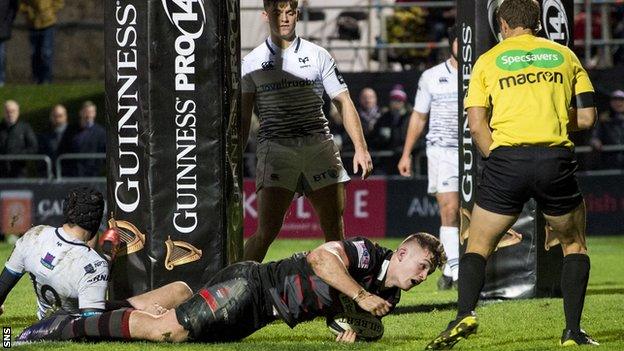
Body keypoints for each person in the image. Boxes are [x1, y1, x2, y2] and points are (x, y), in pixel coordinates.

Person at [426, 0, 598, 349]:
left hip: (507, 162)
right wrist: (548, 120)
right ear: (538, 23)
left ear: (502, 23)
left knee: (477, 244)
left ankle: (463, 316)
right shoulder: (565, 56)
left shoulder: (488, 60)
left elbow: (476, 126)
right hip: (554, 159)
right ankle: (572, 333)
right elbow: (588, 118)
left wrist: (501, 156)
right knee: (574, 245)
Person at [18, 232, 446, 344]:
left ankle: (86, 311)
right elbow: (319, 259)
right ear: (405, 252)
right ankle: (50, 330)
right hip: (250, 290)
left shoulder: (389, 296)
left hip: (254, 315)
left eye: (429, 272)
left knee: (176, 306)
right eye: (423, 265)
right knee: (166, 332)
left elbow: (343, 313)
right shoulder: (368, 254)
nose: (423, 276)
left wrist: (349, 329)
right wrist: (359, 296)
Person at [241, 0, 373, 262]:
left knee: (334, 232)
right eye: (278, 13)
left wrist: (361, 148)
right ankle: (232, 291)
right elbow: (244, 115)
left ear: (298, 15)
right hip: (276, 148)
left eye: (290, 13)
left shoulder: (318, 54)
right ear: (265, 16)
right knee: (266, 232)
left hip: (318, 146)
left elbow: (343, 101)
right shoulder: (251, 61)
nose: (284, 19)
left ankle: (339, 298)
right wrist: (235, 156)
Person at [0, 187, 193, 319]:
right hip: (72, 323)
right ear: (94, 225)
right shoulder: (93, 264)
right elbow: (93, 325)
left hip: (48, 317)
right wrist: (141, 313)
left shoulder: (34, 234)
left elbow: (3, 285)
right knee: (179, 293)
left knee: (179, 290)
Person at [397, 25, 460, 290]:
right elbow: (419, 116)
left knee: (473, 214)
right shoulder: (432, 77)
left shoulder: (482, 73)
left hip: (475, 151)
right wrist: (406, 153)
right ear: (452, 44)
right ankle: (455, 270)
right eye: (459, 42)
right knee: (450, 208)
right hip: (442, 151)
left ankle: (451, 268)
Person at [19, 0, 64, 84]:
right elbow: (22, 3)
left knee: (46, 52)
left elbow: (59, 2)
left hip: (48, 22)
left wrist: (50, 11)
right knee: (34, 53)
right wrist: (28, 11)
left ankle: (46, 79)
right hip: (32, 22)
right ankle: (36, 79)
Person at [370, 84, 411, 174]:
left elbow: (420, 140)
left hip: (407, 162)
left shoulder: (410, 118)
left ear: (403, 102)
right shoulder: (384, 118)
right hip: (387, 162)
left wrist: (406, 149)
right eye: (394, 100)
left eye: (399, 100)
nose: (396, 103)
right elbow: (372, 139)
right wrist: (381, 139)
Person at [0, 100, 38, 177]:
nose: (10, 114)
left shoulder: (25, 128)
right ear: (4, 113)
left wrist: (17, 156)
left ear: (18, 112)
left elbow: (33, 147)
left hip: (19, 172)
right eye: (8, 111)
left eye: (13, 111)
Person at [589, 89, 624, 169]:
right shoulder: (604, 119)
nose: (618, 103)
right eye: (615, 100)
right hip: (610, 160)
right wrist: (595, 141)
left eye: (621, 100)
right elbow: (595, 136)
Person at [70, 101, 106, 177]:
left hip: (93, 175)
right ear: (80, 113)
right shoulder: (71, 130)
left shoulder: (101, 132)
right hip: (74, 174)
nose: (88, 115)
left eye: (91, 112)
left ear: (95, 114)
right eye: (86, 112)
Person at [38, 104, 74, 175]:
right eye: (54, 116)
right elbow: (41, 155)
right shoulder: (44, 134)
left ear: (65, 116)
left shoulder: (73, 133)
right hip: (50, 174)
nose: (57, 119)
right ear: (51, 117)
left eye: (60, 116)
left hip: (70, 174)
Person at [0, 0, 18, 86]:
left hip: (2, 28)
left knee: (1, 56)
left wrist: (7, 22)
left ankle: (1, 81)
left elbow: (14, 8)